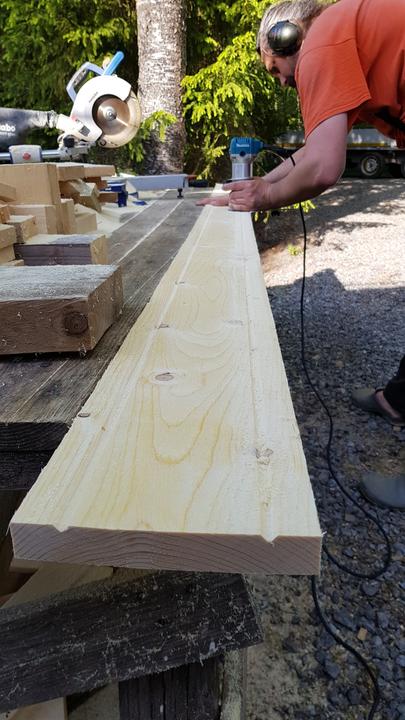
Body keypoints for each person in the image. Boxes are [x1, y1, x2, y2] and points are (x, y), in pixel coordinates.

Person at [198, 0, 405, 508]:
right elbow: (309, 152)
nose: (283, 81)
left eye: (275, 68)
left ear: (288, 36)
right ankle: (400, 399)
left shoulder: (322, 43)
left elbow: (325, 167)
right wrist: (254, 186)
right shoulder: (345, 40)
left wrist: (262, 199)